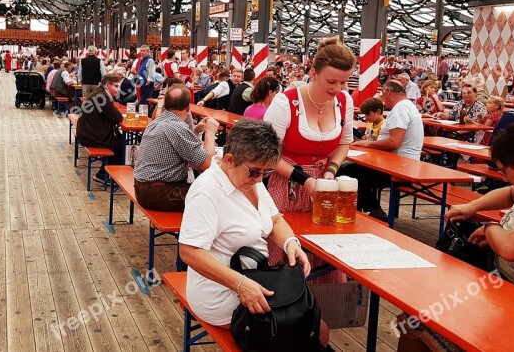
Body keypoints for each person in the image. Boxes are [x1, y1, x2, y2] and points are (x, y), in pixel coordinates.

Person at [179, 119, 328, 347]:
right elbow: (189, 252)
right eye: (256, 172)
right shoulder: (207, 192)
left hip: (255, 280)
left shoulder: (248, 178)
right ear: (229, 160)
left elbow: (275, 219)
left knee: (313, 326)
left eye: (267, 172)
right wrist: (240, 284)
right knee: (310, 330)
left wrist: (290, 243)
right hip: (221, 291)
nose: (260, 179)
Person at [262, 37, 354, 281]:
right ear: (313, 73)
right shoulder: (286, 102)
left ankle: (324, 309)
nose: (338, 89)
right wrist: (305, 180)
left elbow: (345, 142)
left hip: (326, 186)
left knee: (327, 253)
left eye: (344, 82)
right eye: (331, 81)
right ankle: (289, 306)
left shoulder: (345, 101)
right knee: (289, 250)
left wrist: (329, 173)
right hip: (288, 184)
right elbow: (266, 153)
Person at [444, 123, 514, 292]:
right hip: (502, 277)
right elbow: (510, 194)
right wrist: (471, 207)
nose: (505, 178)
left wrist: (490, 228)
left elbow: (509, 247)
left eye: (504, 171)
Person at [339, 80, 423, 219]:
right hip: (404, 165)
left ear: (388, 92)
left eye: (383, 95)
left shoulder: (400, 109)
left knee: (346, 171)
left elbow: (394, 142)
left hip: (399, 168)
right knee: (355, 171)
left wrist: (368, 144)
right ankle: (369, 209)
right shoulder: (408, 106)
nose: (383, 100)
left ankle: (371, 210)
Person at [133, 84, 219, 212]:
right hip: (160, 194)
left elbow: (181, 146)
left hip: (143, 189)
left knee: (207, 193)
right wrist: (210, 133)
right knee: (216, 197)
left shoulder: (157, 121)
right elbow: (207, 165)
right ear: (188, 107)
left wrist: (196, 131)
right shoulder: (177, 127)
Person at [76, 74, 125, 183]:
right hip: (90, 135)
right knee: (121, 144)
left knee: (119, 140)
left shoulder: (99, 93)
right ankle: (105, 175)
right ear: (108, 85)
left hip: (87, 132)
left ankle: (104, 173)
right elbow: (118, 117)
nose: (119, 89)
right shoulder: (102, 97)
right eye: (116, 86)